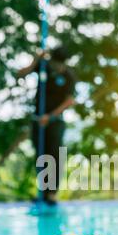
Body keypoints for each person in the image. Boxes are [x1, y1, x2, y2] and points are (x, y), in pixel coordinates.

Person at [18, 47, 76, 205]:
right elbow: (21, 74)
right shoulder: (43, 66)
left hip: (55, 121)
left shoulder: (68, 76)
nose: (57, 67)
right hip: (38, 120)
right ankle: (42, 192)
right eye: (55, 63)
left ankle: (52, 194)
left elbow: (69, 101)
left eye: (60, 64)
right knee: (41, 156)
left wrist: (50, 117)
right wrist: (36, 59)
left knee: (54, 156)